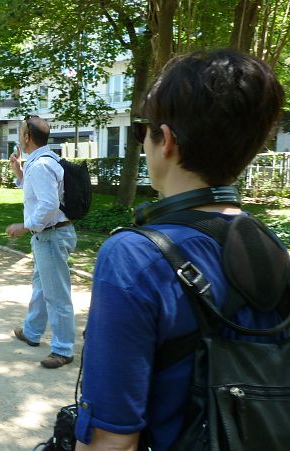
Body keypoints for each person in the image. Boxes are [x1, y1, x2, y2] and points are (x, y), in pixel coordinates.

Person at [76, 49, 285, 450]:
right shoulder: (274, 248)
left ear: (166, 140)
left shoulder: (134, 257)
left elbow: (112, 439)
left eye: (144, 131)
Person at [7, 115, 77, 369]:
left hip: (50, 236)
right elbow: (41, 193)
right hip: (52, 234)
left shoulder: (40, 166)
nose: (20, 135)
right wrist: (19, 173)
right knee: (41, 286)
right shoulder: (43, 162)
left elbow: (49, 203)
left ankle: (63, 349)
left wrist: (24, 226)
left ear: (27, 137)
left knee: (56, 294)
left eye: (21, 131)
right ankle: (32, 331)